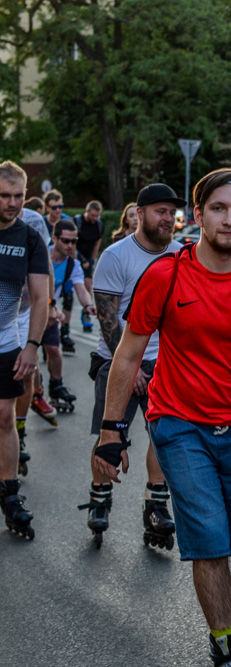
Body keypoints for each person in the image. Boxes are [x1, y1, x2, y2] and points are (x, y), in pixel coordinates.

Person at [93, 168, 231, 666]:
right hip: (179, 424)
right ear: (199, 216)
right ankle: (224, 644)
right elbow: (127, 356)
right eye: (218, 208)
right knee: (210, 543)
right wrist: (111, 431)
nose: (228, 219)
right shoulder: (164, 275)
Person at [78, 185, 184, 549]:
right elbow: (109, 320)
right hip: (118, 359)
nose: (168, 219)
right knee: (111, 435)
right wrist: (132, 366)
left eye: (172, 212)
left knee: (164, 436)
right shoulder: (116, 256)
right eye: (160, 211)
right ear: (140, 214)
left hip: (164, 363)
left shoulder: (182, 256)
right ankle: (99, 497)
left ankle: (156, 504)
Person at [0, 161, 50, 540]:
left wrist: (32, 346)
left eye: (18, 195)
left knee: (4, 418)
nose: (12, 203)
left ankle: (10, 494)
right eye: (4, 195)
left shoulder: (29, 238)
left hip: (5, 338)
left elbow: (39, 297)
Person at [13, 206, 56, 475]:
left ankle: (19, 431)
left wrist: (50, 303)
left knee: (25, 371)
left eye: (18, 195)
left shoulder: (32, 220)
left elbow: (46, 263)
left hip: (23, 308)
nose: (12, 201)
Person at [40, 220, 96, 413]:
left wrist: (88, 305)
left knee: (54, 350)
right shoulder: (40, 254)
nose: (70, 245)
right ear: (54, 238)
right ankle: (35, 389)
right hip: (26, 313)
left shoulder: (73, 264)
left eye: (73, 241)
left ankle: (56, 386)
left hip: (50, 314)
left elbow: (80, 289)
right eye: (65, 240)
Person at [43, 189, 75, 353]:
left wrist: (76, 264)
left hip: (64, 264)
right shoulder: (42, 223)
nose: (58, 210)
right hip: (45, 266)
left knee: (68, 297)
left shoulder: (67, 222)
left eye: (60, 206)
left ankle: (65, 332)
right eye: (54, 207)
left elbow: (73, 247)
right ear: (47, 208)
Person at [73, 200, 104, 333]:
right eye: (92, 215)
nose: (94, 218)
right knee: (68, 291)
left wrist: (91, 260)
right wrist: (80, 259)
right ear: (87, 212)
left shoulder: (99, 225)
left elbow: (97, 243)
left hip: (88, 259)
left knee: (87, 285)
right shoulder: (77, 222)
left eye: (97, 216)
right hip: (75, 256)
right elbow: (72, 243)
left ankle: (86, 314)